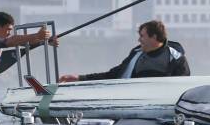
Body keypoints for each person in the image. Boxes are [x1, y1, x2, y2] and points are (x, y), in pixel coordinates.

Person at [58, 20, 190, 81]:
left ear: (154, 37)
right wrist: (80, 78)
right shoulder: (136, 54)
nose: (139, 40)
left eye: (142, 36)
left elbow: (182, 88)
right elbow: (113, 74)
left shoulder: (176, 58)